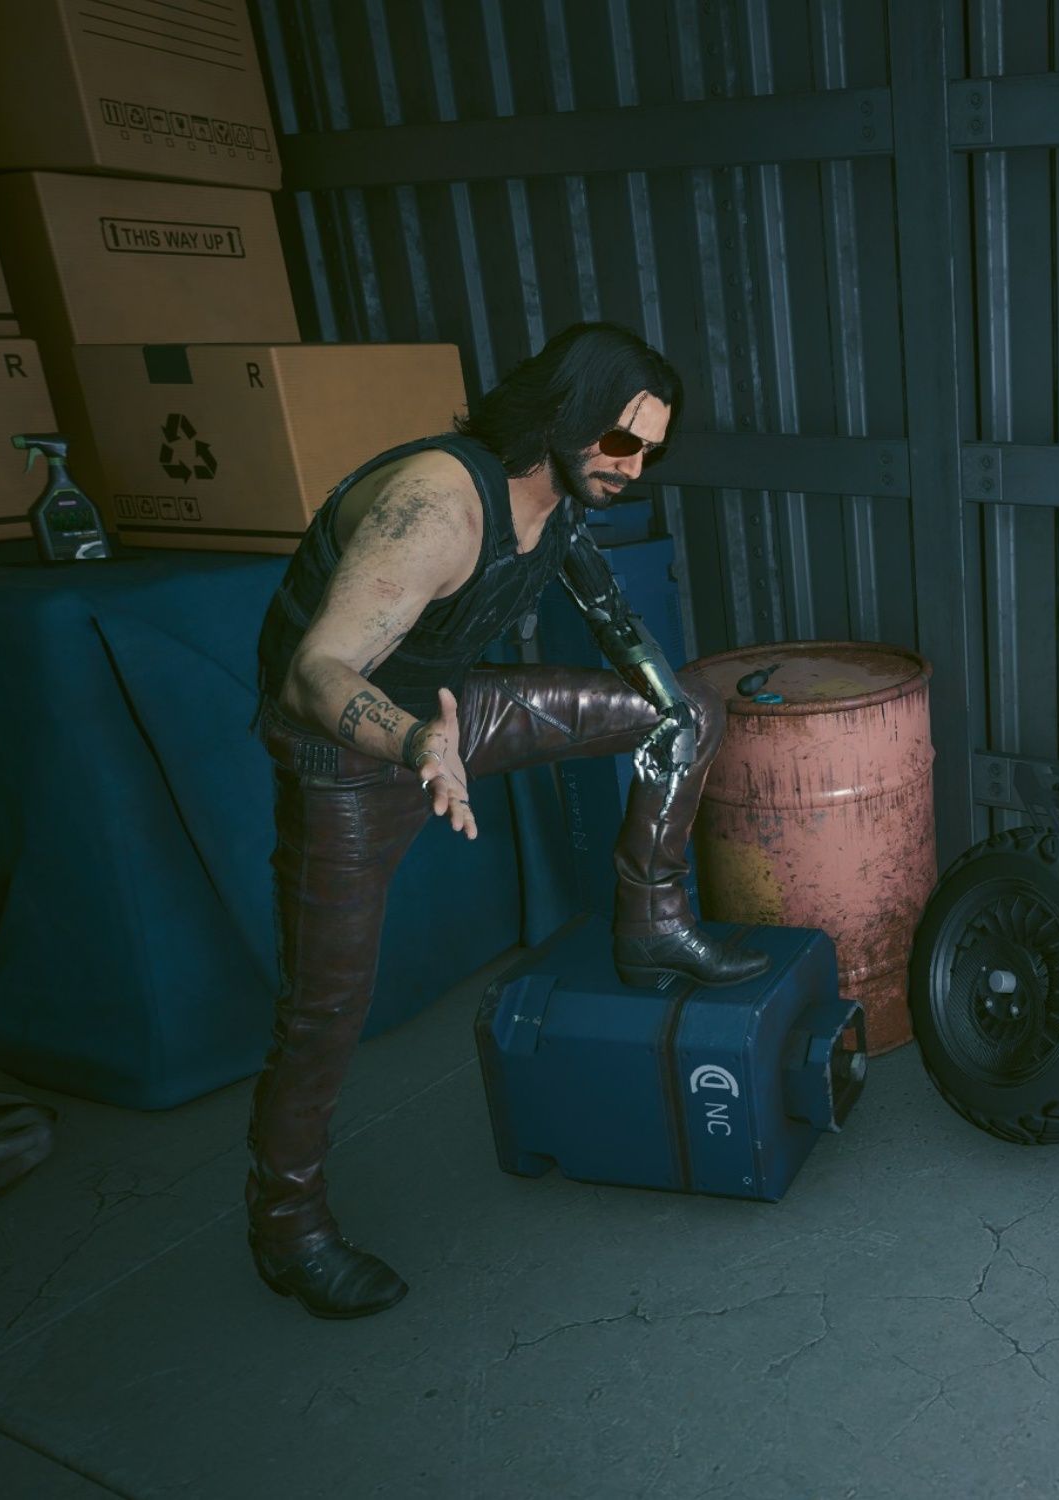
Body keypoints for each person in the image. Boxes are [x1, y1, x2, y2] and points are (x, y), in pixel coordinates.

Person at [243, 321, 768, 1319]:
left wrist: (666, 704)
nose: (632, 466)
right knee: (324, 1012)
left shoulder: (558, 501)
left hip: (452, 706)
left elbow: (615, 621)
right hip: (353, 753)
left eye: (649, 450)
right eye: (620, 441)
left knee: (691, 709)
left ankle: (651, 921)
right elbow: (317, 674)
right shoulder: (438, 504)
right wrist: (413, 749)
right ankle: (286, 1224)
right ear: (562, 417)